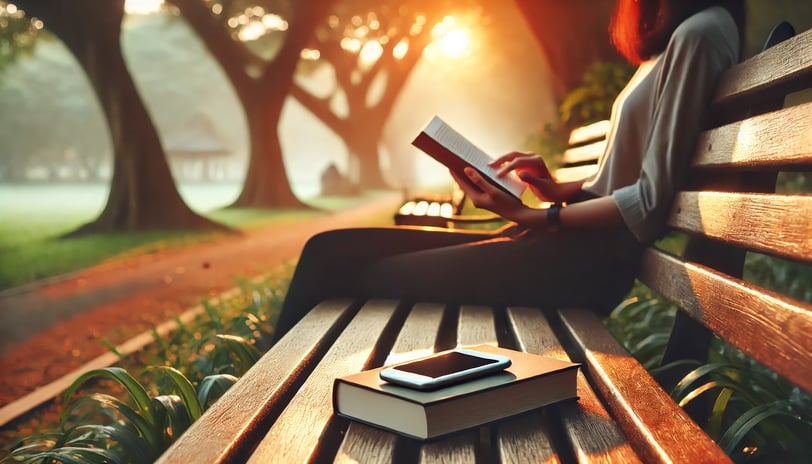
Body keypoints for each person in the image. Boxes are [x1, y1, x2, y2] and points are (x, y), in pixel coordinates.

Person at [273, 0, 745, 341]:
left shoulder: (699, 34)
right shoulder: (677, 35)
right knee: (328, 251)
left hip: (584, 267)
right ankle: (268, 397)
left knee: (356, 275)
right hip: (560, 247)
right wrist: (554, 187)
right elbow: (626, 180)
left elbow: (647, 202)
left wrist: (533, 217)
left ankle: (269, 410)